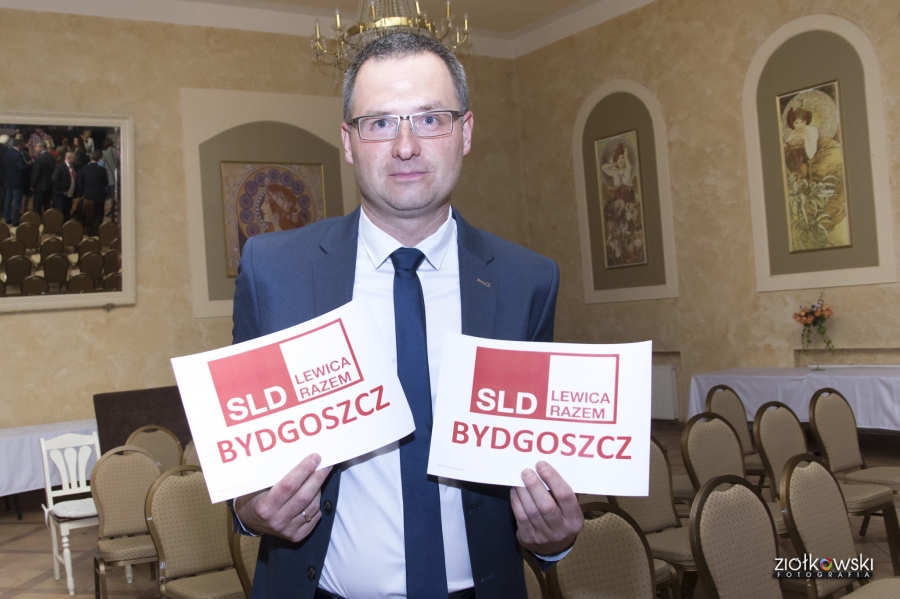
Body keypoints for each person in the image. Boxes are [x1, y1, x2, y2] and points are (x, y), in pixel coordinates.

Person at [231, 33, 582, 599]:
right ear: (348, 142)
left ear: (466, 132)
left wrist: (552, 539)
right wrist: (251, 512)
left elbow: (533, 464)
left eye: (430, 119)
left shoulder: (527, 282)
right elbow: (243, 465)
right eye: (379, 123)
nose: (405, 146)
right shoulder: (274, 273)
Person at [75, 151, 108, 235]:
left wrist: (83, 192)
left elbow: (80, 183)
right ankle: (97, 230)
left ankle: (89, 230)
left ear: (90, 158)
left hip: (88, 195)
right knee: (99, 214)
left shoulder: (83, 169)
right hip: (99, 195)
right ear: (99, 159)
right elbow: (105, 183)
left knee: (88, 213)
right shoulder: (102, 170)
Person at [2, 139, 27, 225]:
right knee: (16, 201)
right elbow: (21, 167)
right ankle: (15, 221)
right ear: (19, 145)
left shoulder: (7, 152)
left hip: (7, 179)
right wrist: (28, 164)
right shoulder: (18, 155)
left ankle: (7, 218)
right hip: (17, 181)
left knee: (7, 200)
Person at [30, 141, 56, 214]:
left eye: (36, 146)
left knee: (37, 206)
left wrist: (32, 185)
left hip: (39, 186)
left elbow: (36, 173)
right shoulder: (52, 157)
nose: (35, 148)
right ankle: (47, 219)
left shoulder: (39, 158)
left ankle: (37, 220)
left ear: (42, 148)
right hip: (49, 185)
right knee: (47, 205)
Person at [51, 152, 77, 220]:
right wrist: (63, 188)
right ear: (68, 158)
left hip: (69, 195)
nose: (75, 159)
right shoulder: (60, 166)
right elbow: (54, 179)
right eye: (74, 158)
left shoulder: (73, 166)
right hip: (61, 194)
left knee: (67, 213)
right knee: (60, 213)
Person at [101, 138, 118, 220]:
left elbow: (103, 164)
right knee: (117, 194)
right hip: (117, 174)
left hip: (109, 175)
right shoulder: (116, 151)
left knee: (112, 194)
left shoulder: (104, 153)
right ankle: (114, 209)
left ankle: (112, 210)